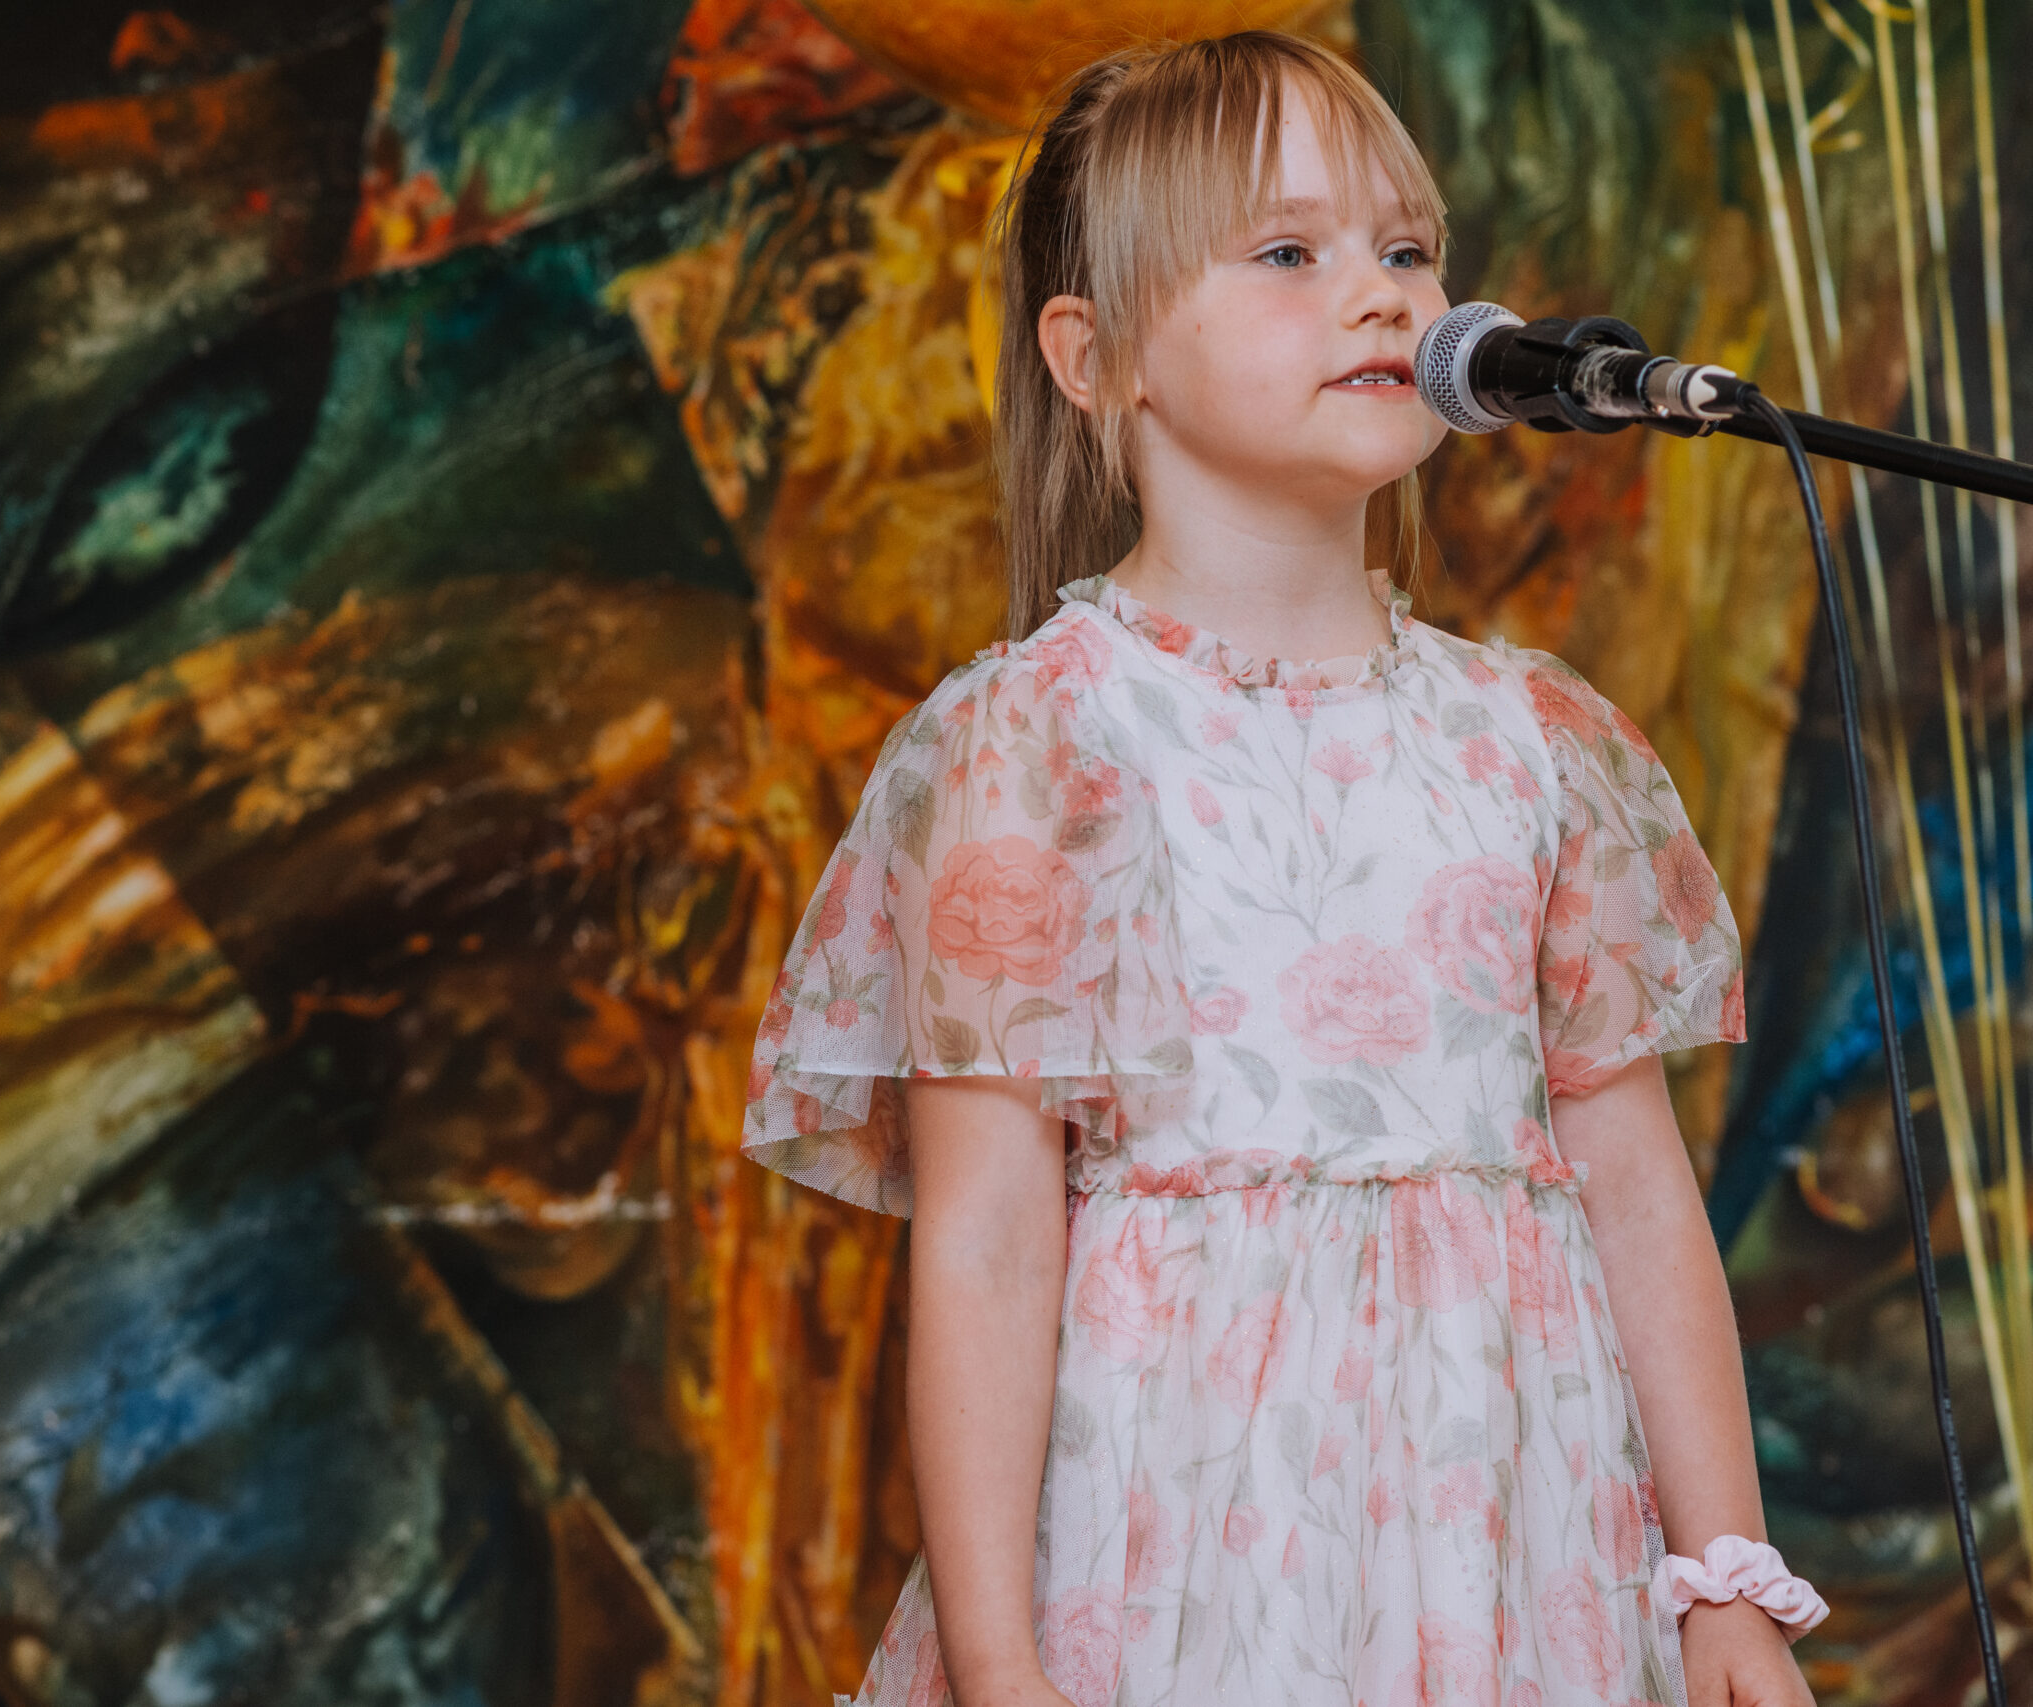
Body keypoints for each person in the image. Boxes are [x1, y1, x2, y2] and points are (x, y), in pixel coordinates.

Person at [743, 30, 1826, 1707]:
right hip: (1185, 1543)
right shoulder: (1045, 740)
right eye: (1287, 253)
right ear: (1098, 357)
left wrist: (1727, 1581)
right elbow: (990, 1232)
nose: (1384, 295)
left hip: (1508, 1543)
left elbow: (1632, 1180)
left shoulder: (1531, 741)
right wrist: (996, 1659)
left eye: (1406, 249)